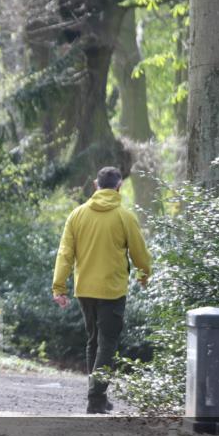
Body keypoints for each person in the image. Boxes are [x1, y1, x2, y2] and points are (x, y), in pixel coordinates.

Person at [51, 166, 152, 414]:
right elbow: (139, 252)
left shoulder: (77, 215)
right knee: (108, 342)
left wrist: (59, 286)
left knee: (93, 341)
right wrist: (143, 273)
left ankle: (98, 395)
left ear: (95, 186)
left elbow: (65, 253)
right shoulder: (125, 217)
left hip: (84, 288)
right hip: (113, 289)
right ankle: (96, 397)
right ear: (119, 187)